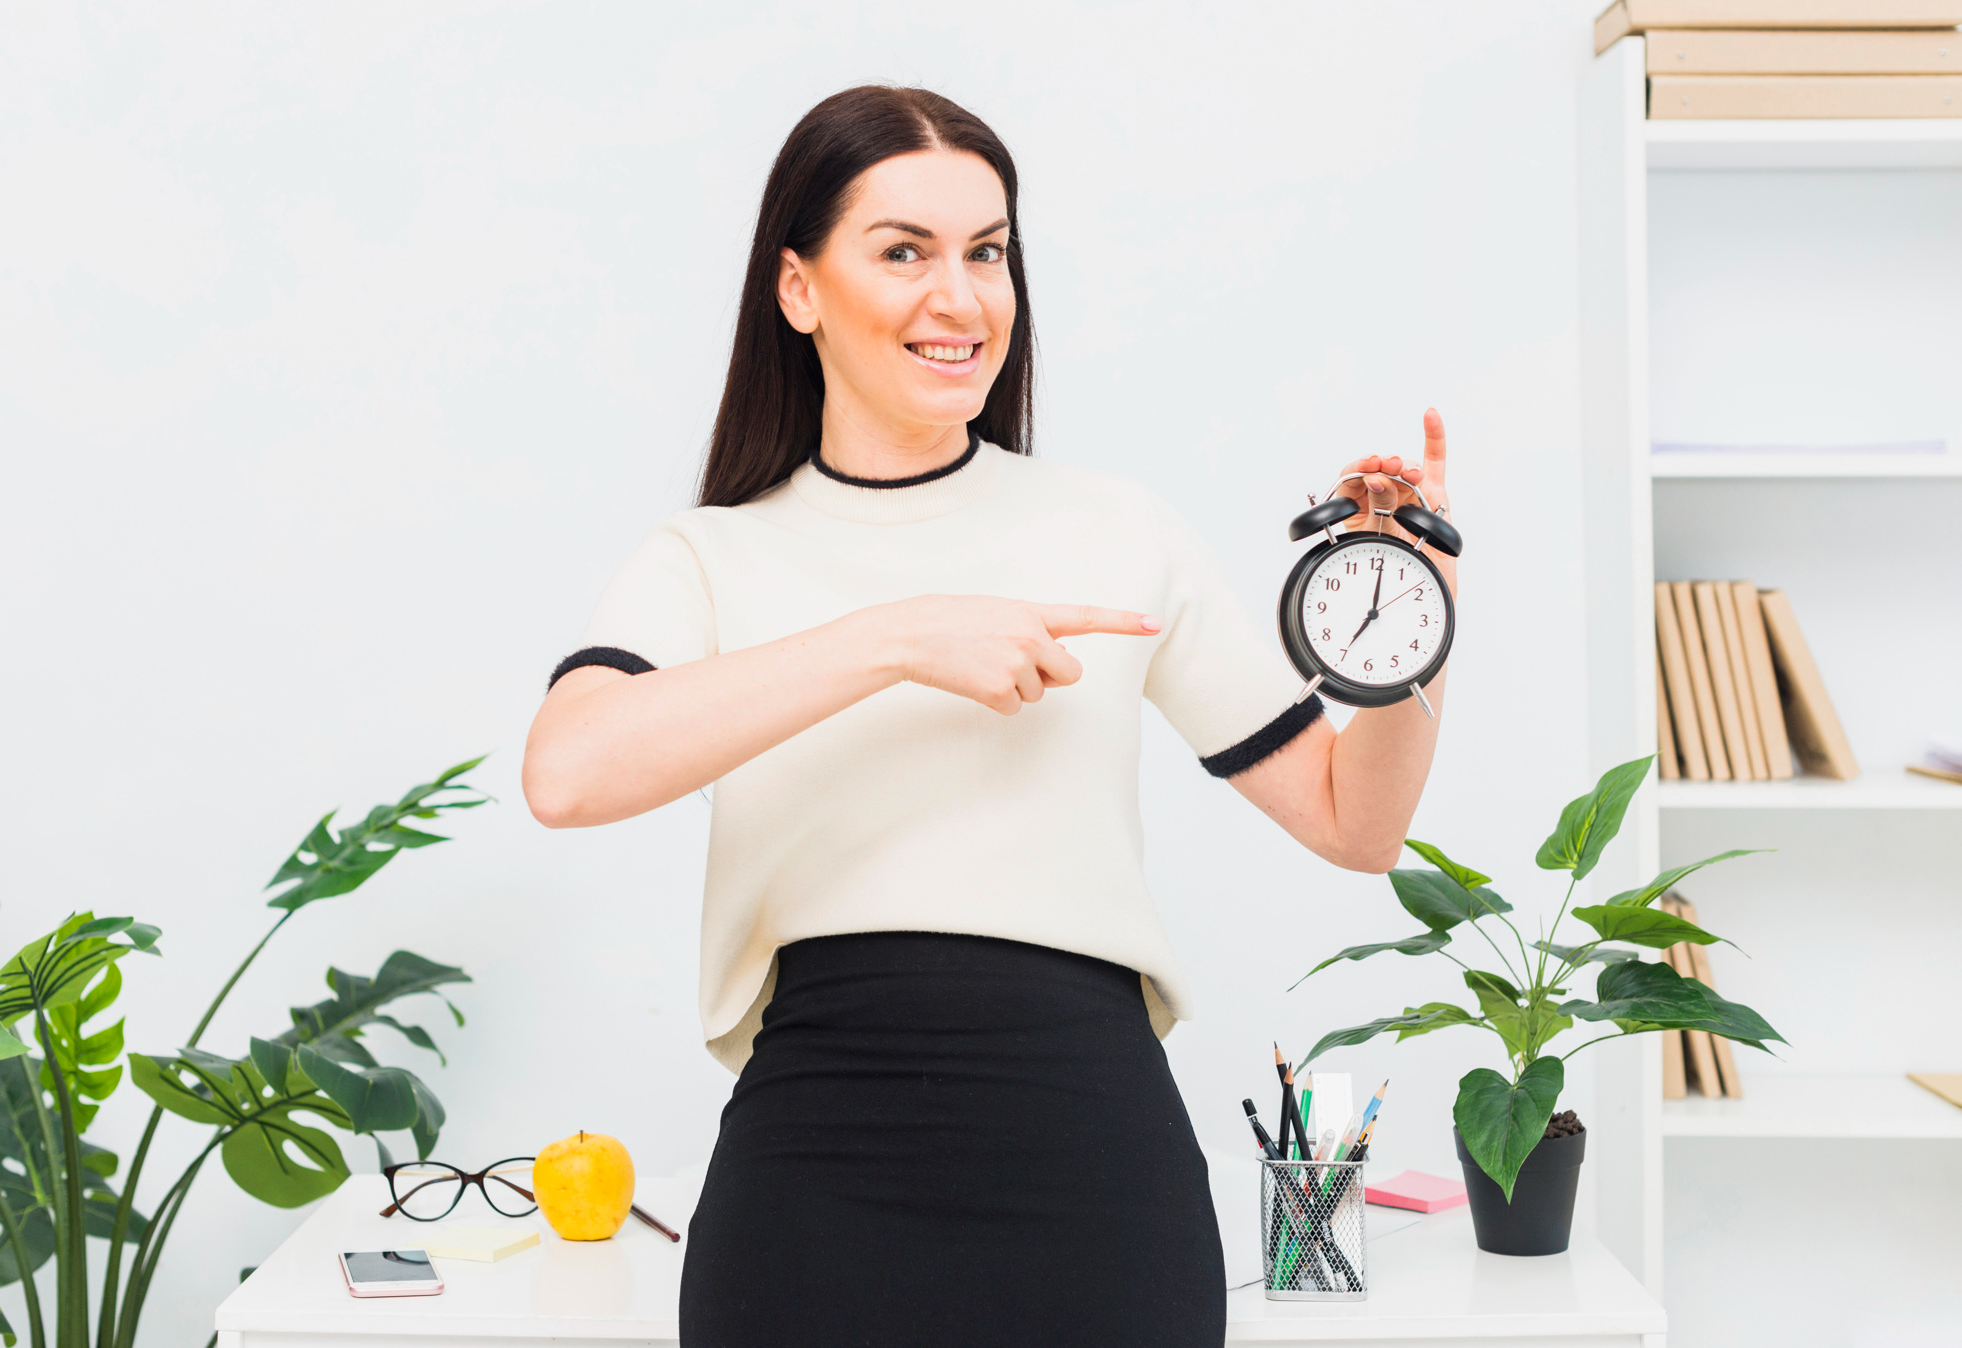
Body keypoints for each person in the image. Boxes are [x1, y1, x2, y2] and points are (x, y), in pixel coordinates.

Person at [522, 85, 1453, 1348]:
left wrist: (1405, 630)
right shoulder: (704, 559)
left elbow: (1357, 823)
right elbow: (569, 773)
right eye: (902, 251)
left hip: (1092, 1163)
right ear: (797, 288)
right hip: (814, 1172)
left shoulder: (1116, 532)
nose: (959, 299)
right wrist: (900, 637)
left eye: (987, 252)